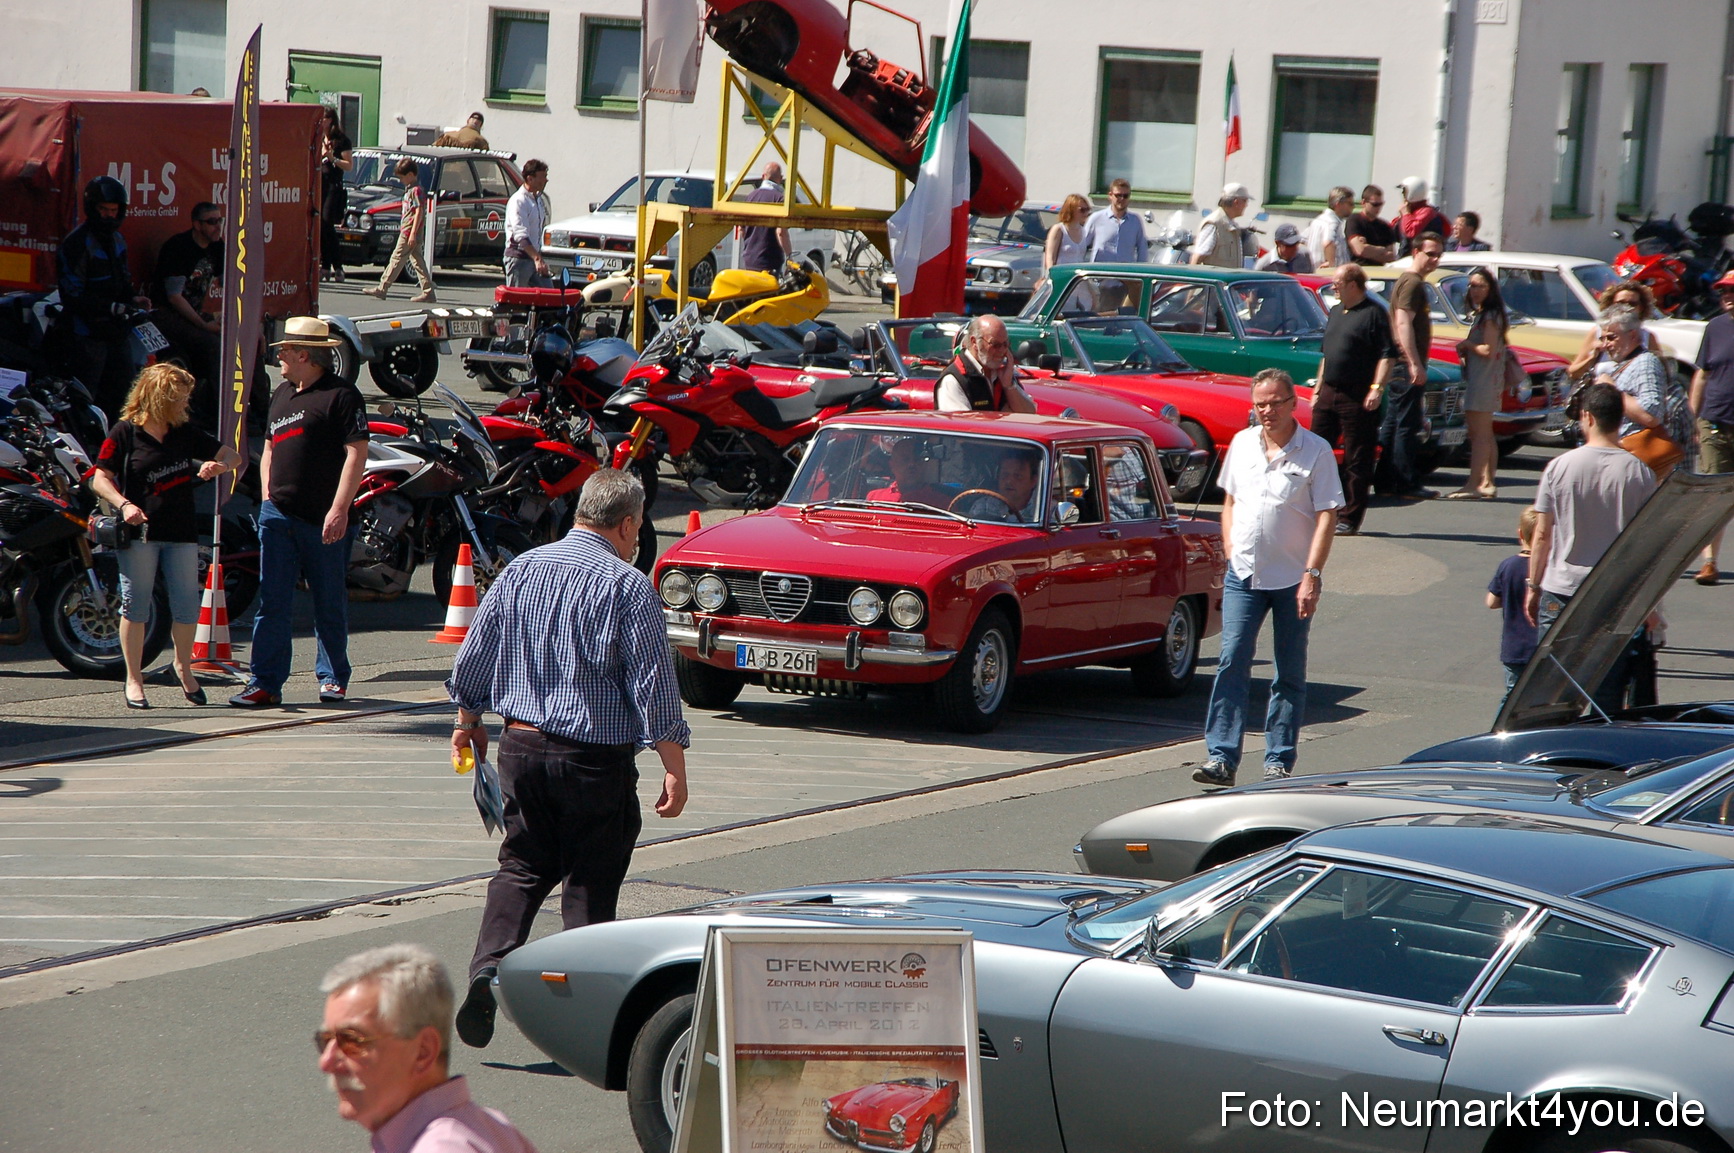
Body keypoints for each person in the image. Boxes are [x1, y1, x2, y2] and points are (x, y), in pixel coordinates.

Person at [446, 468, 690, 1050]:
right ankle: (584, 1011)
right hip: (593, 761)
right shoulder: (627, 586)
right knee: (589, 877)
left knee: (522, 864)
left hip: (521, 747)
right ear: (627, 524)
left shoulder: (520, 571)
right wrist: (674, 767)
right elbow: (653, 686)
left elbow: (475, 656)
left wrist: (468, 724)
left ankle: (489, 967)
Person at [1194, 369, 1343, 786]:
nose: (1268, 410)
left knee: (1289, 671)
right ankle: (1221, 757)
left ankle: (1278, 760)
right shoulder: (1242, 444)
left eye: (1276, 402)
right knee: (1232, 660)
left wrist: (1312, 575)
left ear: (1293, 403)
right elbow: (1229, 502)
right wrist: (1228, 550)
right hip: (1243, 573)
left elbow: (1329, 514)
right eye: (1260, 403)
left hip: (1293, 579)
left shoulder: (1315, 451)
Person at [231, 317, 368, 708]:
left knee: (328, 600)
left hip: (323, 517)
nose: (280, 361)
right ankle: (265, 682)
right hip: (278, 516)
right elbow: (270, 446)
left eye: (285, 353)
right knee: (272, 602)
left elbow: (356, 453)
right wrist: (266, 493)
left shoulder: (342, 396)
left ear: (305, 354)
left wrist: (339, 509)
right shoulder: (282, 393)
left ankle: (331, 677)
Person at [88, 363, 241, 710]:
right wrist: (123, 504)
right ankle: (134, 678)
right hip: (140, 531)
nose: (185, 402)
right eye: (180, 396)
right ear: (160, 397)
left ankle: (183, 668)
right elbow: (100, 477)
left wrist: (218, 466)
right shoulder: (125, 432)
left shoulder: (183, 431)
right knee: (136, 604)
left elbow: (232, 456)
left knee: (187, 605)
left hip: (181, 530)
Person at [317, 944, 539, 1151]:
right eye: (325, 1041)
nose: (326, 1062)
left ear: (423, 1051)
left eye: (352, 1040)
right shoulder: (491, 1126)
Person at [1525, 383, 1657, 712]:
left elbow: (1542, 533)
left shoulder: (1559, 467)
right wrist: (1651, 604)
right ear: (1619, 420)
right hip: (1615, 594)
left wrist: (1532, 584)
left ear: (1587, 417)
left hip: (1562, 589)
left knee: (1549, 689)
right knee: (1607, 690)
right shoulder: (1639, 472)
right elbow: (1648, 546)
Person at [50, 176, 153, 420]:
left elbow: (123, 280)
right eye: (104, 210)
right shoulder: (76, 243)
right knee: (86, 398)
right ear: (93, 208)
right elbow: (72, 295)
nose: (109, 215)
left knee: (126, 393)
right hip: (86, 335)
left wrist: (133, 300)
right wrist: (110, 307)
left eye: (113, 210)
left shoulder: (118, 240)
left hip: (116, 333)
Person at [1310, 263, 1393, 536]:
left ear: (1353, 284)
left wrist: (1376, 388)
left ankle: (1349, 517)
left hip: (1357, 395)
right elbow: (1327, 354)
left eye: (1337, 283)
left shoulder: (1374, 313)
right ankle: (1314, 510)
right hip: (1329, 391)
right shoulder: (1335, 311)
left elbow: (1387, 354)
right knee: (1315, 451)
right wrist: (1318, 387)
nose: (1333, 287)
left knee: (1358, 458)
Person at [1376, 231, 1444, 500]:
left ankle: (1384, 481)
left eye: (1439, 254)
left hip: (1402, 364)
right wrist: (1414, 363)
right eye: (1430, 254)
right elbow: (1402, 323)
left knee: (1394, 422)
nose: (1435, 259)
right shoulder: (1412, 283)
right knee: (1406, 424)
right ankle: (1405, 483)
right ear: (1416, 253)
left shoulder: (1411, 281)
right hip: (1406, 366)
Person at [150, 201, 225, 416]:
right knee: (213, 345)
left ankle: (256, 410)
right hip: (166, 314)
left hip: (194, 313)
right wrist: (204, 325)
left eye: (219, 220)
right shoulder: (179, 247)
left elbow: (232, 285)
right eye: (211, 222)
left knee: (241, 340)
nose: (217, 226)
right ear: (196, 224)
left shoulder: (218, 246)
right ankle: (216, 415)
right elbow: (174, 297)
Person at [1447, 266, 1508, 499]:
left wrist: (1467, 345)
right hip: (1483, 378)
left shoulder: (1491, 316)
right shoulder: (1485, 314)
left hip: (1484, 380)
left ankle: (1474, 484)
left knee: (1479, 434)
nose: (1474, 290)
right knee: (1486, 433)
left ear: (1490, 288)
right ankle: (1487, 481)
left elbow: (1488, 350)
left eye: (1479, 285)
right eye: (1471, 285)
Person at [1689, 271, 1734, 584]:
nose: (1727, 297)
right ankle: (1709, 563)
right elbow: (1702, 374)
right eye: (1723, 292)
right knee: (1713, 495)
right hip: (1714, 421)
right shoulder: (1715, 327)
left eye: (1732, 292)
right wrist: (1693, 416)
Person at [1485, 507, 1540, 709]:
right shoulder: (1548, 567)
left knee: (1512, 696)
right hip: (1540, 644)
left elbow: (1492, 602)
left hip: (1515, 646)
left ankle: (1502, 731)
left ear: (1519, 534)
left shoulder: (1508, 566)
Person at [363, 158, 436, 303]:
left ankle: (383, 287)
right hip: (408, 230)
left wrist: (413, 233)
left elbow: (419, 212)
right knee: (417, 262)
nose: (401, 180)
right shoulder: (410, 190)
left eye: (402, 177)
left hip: (409, 231)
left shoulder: (416, 191)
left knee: (396, 258)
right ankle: (428, 291)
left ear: (410, 174)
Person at [1593, 305, 1668, 441]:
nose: (1605, 345)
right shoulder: (1628, 363)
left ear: (1632, 335)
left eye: (1611, 338)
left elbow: (1651, 416)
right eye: (1602, 339)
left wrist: (1611, 390)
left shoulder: (1645, 363)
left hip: (1635, 454)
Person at [934, 315, 1038, 413]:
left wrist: (1008, 386)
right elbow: (962, 427)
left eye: (1005, 344)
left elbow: (1029, 414)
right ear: (974, 342)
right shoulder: (954, 379)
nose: (1002, 351)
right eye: (995, 345)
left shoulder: (1003, 374)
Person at [1568, 280, 1663, 379]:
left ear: (1642, 308)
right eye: (1620, 303)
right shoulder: (1598, 333)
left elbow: (1660, 374)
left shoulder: (1647, 337)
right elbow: (1573, 373)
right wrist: (1593, 358)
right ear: (1610, 305)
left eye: (1632, 304)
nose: (1626, 308)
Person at [867, 437, 958, 507]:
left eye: (917, 459)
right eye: (905, 459)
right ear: (892, 465)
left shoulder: (942, 503)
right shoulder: (875, 499)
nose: (911, 464)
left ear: (923, 464)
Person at [503, 159, 552, 288]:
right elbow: (520, 235)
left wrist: (538, 257)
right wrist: (537, 259)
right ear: (530, 179)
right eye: (543, 177)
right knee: (517, 301)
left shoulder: (538, 199)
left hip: (534, 257)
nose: (546, 180)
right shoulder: (519, 201)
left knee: (549, 296)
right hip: (519, 259)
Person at [953, 448, 1041, 521]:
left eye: (1018, 476)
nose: (1009, 481)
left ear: (1033, 481)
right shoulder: (984, 506)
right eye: (1005, 475)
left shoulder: (1045, 512)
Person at [738, 161, 792, 274]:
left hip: (750, 258)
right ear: (780, 178)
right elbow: (781, 232)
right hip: (770, 261)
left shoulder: (750, 197)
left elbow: (741, 230)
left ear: (763, 176)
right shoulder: (780, 199)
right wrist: (789, 256)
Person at [319, 108, 353, 283]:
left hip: (334, 186)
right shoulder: (318, 137)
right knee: (320, 225)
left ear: (331, 120)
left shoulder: (341, 141)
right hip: (320, 185)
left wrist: (332, 158)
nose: (322, 121)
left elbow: (349, 165)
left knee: (326, 222)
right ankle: (326, 266)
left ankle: (336, 266)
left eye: (324, 118)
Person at [1192, 183, 1257, 269]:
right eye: (1245, 201)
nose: (1246, 205)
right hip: (1214, 280)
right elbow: (1199, 256)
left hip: (1228, 281)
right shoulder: (1214, 224)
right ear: (1236, 202)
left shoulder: (1230, 224)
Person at [1083, 178, 1148, 263]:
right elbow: (1082, 245)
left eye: (1125, 196)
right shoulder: (1096, 218)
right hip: (1101, 273)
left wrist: (1140, 270)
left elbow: (1142, 249)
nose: (1122, 199)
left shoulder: (1135, 221)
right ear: (1110, 195)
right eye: (1118, 195)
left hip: (1125, 273)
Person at [1392, 176, 1451, 257]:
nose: (1403, 195)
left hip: (1421, 258)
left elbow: (1410, 233)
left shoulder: (1426, 212)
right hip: (1407, 258)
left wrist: (1405, 214)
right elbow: (1393, 233)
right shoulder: (1411, 212)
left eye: (1404, 192)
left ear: (1412, 193)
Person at [1344, 185, 1398, 266]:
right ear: (1363, 203)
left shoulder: (1385, 226)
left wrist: (1368, 250)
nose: (1378, 208)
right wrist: (1382, 250)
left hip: (1380, 272)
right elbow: (1360, 250)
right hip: (1360, 270)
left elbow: (1391, 256)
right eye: (1375, 204)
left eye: (1380, 204)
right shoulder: (1354, 220)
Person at [1306, 186, 1355, 269]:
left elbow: (1302, 239)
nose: (1353, 207)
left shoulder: (1318, 220)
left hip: (1315, 271)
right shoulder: (1332, 222)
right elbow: (1328, 243)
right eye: (1350, 204)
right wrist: (1331, 265)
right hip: (1329, 276)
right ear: (1338, 204)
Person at [1043, 194, 1091, 276]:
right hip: (1062, 277)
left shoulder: (1083, 230)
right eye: (1082, 210)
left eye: (1087, 209)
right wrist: (1051, 277)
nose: (1086, 213)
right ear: (1071, 210)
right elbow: (1050, 258)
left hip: (1077, 279)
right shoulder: (1059, 229)